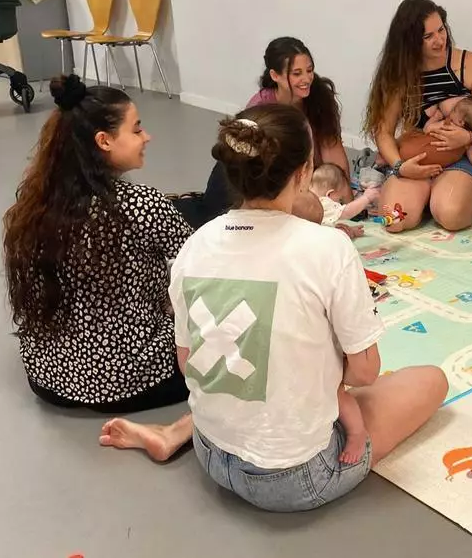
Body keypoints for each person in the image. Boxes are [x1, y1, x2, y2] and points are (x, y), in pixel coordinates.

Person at [103, 104, 448, 508]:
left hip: (210, 452)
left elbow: (187, 362)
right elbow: (365, 372)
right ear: (304, 172)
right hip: (294, 478)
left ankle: (177, 432)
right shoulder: (328, 247)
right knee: (431, 379)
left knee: (260, 373)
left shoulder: (194, 245)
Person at [3, 75, 193, 415]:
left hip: (50, 379)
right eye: (136, 129)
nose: (146, 137)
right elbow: (200, 261)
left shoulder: (36, 205)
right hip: (127, 382)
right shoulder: (141, 204)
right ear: (104, 141)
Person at [362, 0, 472, 232]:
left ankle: (444, 194)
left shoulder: (468, 63)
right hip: (418, 155)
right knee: (395, 221)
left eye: (441, 30)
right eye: (428, 37)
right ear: (409, 42)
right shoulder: (400, 74)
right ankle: (428, 192)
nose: (439, 40)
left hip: (461, 155)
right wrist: (400, 166)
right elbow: (383, 131)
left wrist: (469, 136)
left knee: (450, 215)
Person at [173, 37, 341, 229]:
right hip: (260, 174)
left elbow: (334, 152)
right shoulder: (260, 108)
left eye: (309, 71)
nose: (306, 79)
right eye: (296, 73)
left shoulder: (319, 98)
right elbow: (255, 168)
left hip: (294, 178)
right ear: (275, 75)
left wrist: (340, 191)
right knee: (216, 217)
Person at [397, 96, 472, 170]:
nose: (451, 111)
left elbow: (427, 129)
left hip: (414, 151)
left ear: (461, 122)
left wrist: (435, 118)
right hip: (438, 162)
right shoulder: (469, 141)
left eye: (454, 110)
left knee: (409, 136)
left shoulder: (447, 124)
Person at [310, 163, 380, 239]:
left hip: (311, 234)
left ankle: (348, 231)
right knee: (339, 233)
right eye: (340, 200)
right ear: (330, 194)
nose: (339, 204)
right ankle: (348, 232)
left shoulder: (309, 200)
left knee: (337, 227)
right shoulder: (323, 202)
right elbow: (346, 212)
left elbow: (326, 224)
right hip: (317, 239)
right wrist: (366, 198)